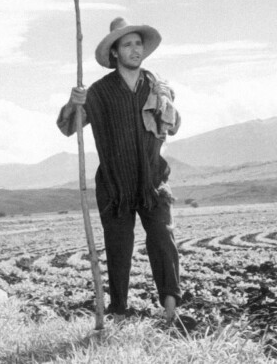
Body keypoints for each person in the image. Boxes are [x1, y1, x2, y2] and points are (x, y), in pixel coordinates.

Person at [57, 17, 182, 324]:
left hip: (153, 181)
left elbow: (174, 126)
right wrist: (74, 103)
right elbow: (68, 127)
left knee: (163, 240)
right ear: (115, 52)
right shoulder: (99, 92)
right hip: (115, 186)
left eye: (138, 44)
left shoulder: (156, 86)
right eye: (127, 45)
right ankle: (119, 312)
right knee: (118, 250)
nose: (135, 50)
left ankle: (171, 313)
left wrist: (167, 101)